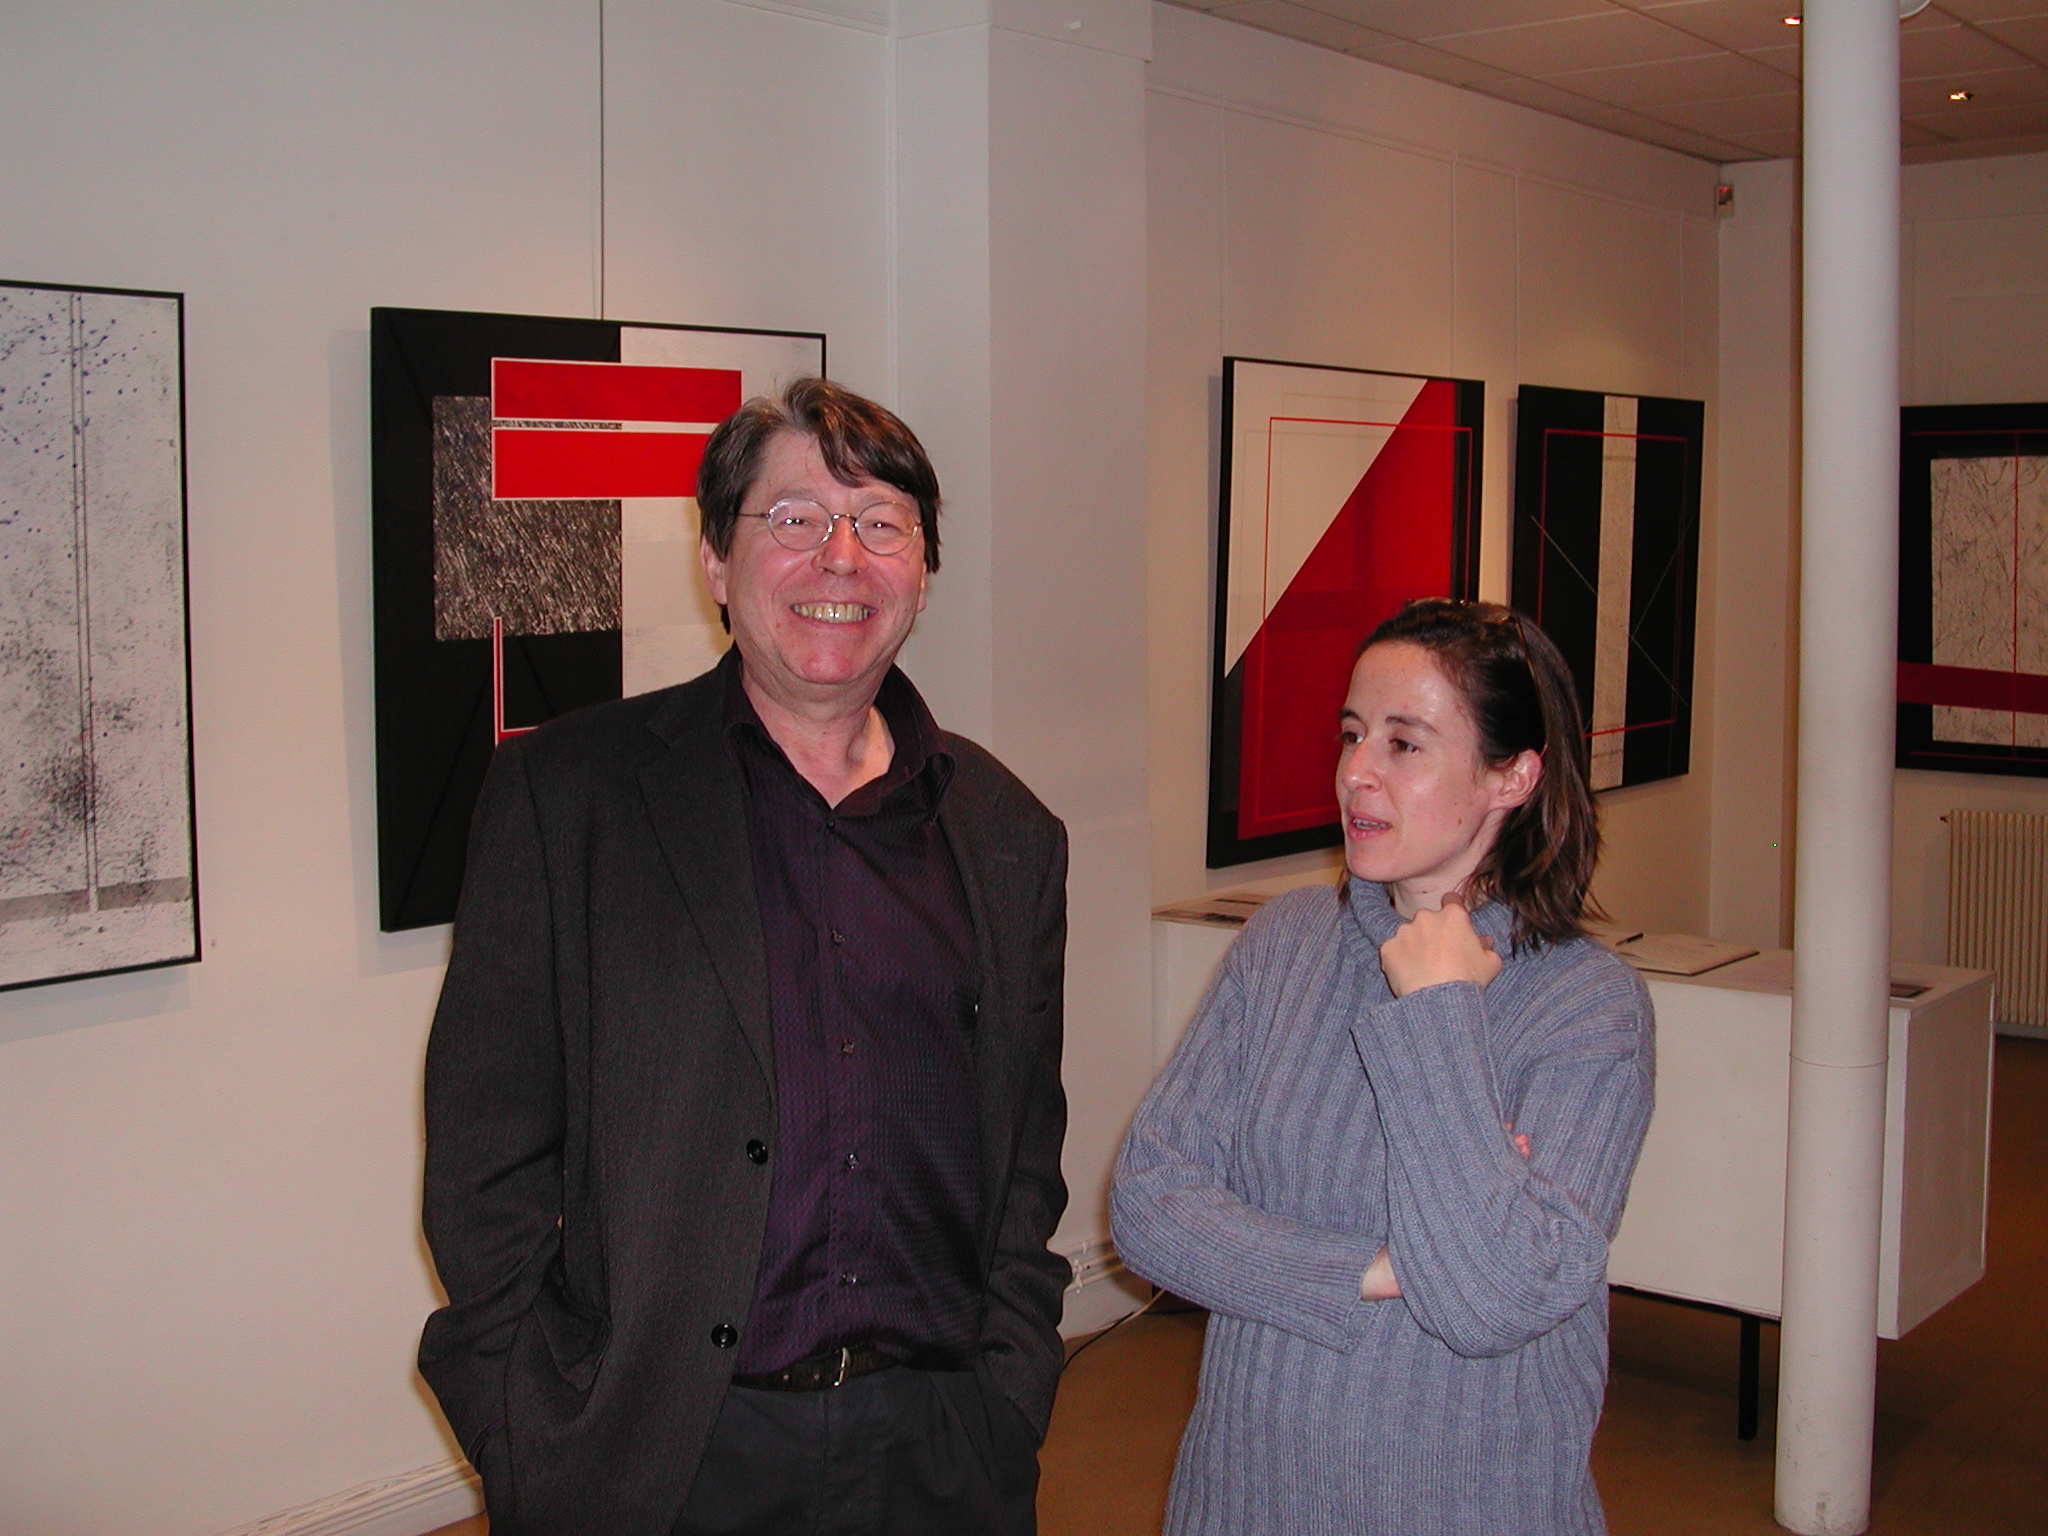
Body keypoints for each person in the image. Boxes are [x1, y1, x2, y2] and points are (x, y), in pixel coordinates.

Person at [418, 378, 1070, 1536]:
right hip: (666, 1455)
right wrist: (525, 1422)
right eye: (795, 518)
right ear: (716, 559)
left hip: (941, 1448)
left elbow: (1023, 1159)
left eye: (881, 523)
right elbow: (485, 1157)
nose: (840, 557)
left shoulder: (1007, 832)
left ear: (922, 572)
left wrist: (1008, 1392)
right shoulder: (567, 799)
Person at [1111, 597, 1654, 1535]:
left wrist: (1439, 1015)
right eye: (1352, 733)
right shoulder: (1285, 944)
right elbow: (1148, 1204)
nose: (1355, 772)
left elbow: (1496, 1299)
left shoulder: (1586, 1006)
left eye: (1405, 744)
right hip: (1243, 1499)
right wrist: (1370, 1269)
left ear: (1512, 776)